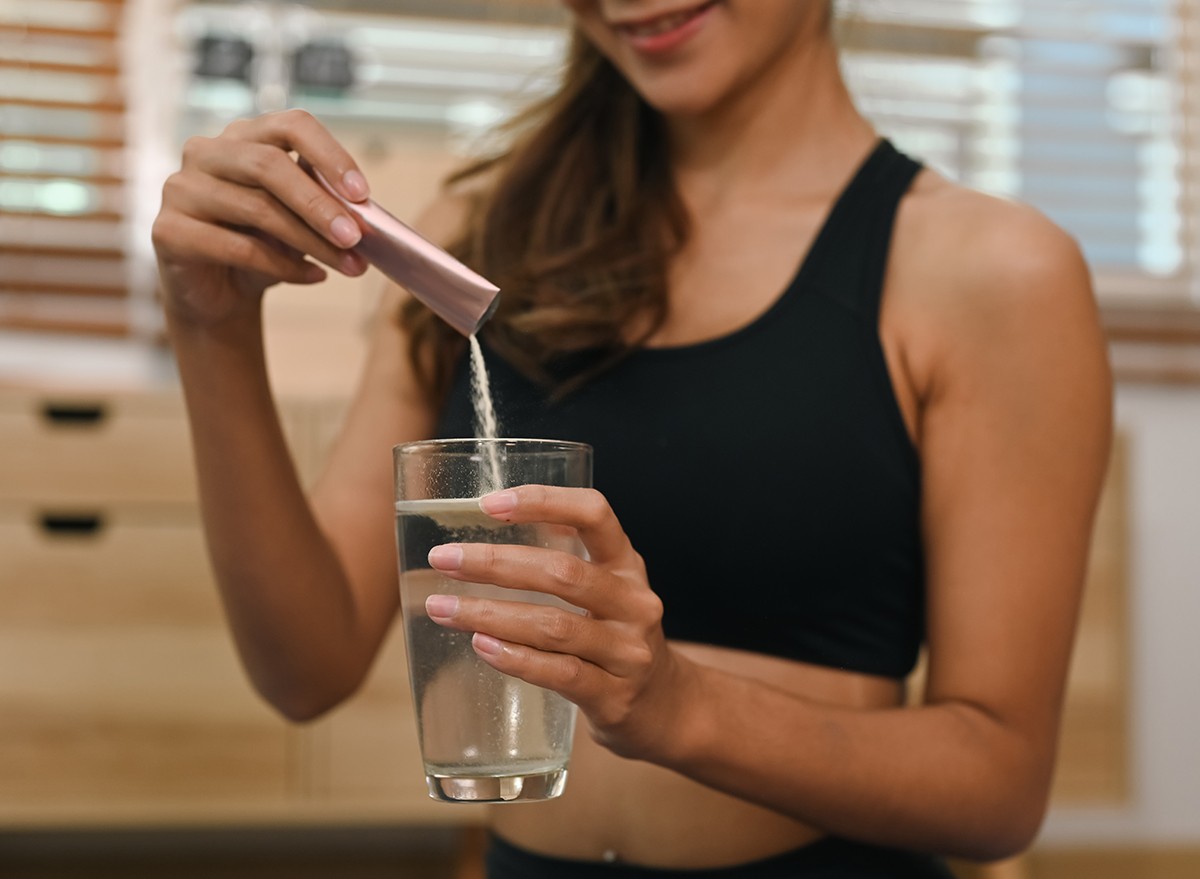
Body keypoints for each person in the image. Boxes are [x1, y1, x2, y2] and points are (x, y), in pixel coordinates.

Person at [151, 1, 1113, 876]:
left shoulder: (991, 272)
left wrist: (678, 706)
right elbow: (305, 667)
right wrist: (211, 326)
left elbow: (997, 787)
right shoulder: (473, 238)